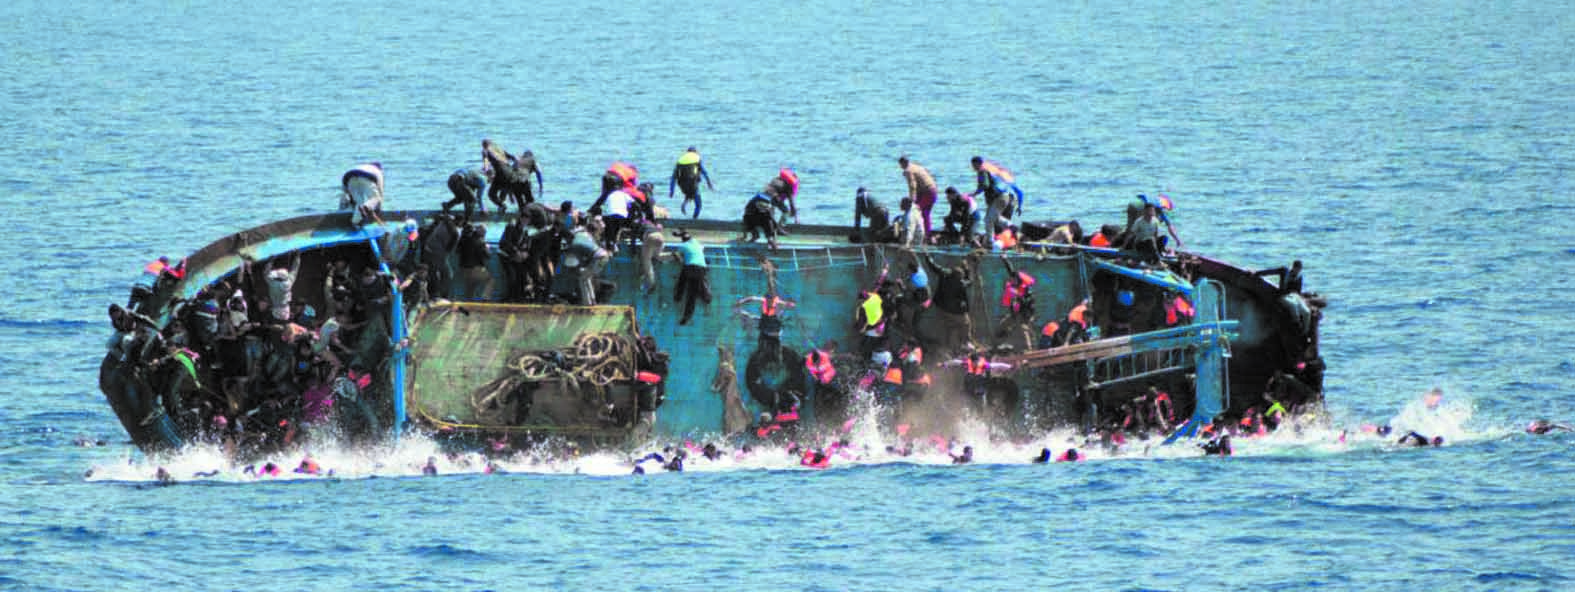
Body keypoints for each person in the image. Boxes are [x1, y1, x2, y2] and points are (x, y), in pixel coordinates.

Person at [969, 156, 1022, 235]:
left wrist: (974, 193)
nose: (973, 167)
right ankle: (1009, 235)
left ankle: (991, 241)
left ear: (976, 164)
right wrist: (1020, 206)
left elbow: (985, 185)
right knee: (996, 220)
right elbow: (1020, 192)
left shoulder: (982, 171)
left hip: (998, 199)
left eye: (973, 165)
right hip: (1010, 201)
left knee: (990, 220)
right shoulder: (1003, 177)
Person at [564, 220, 611, 305]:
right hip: (603, 256)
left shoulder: (577, 241)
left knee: (582, 278)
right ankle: (592, 302)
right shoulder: (585, 237)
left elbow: (574, 263)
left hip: (599, 257)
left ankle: (587, 303)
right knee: (586, 277)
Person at [671, 229, 711, 325]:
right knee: (692, 292)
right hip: (701, 269)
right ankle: (705, 298)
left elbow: (676, 255)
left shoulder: (683, 246)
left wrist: (679, 258)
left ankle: (678, 297)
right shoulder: (697, 243)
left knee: (684, 279)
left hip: (690, 268)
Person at [670, 147, 715, 219]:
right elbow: (704, 172)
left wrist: (671, 191)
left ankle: (685, 203)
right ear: (695, 152)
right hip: (693, 183)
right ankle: (694, 219)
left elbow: (673, 177)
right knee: (698, 204)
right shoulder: (696, 159)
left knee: (689, 191)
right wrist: (709, 183)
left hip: (682, 185)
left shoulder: (680, 161)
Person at [899, 156, 939, 234]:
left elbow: (912, 186)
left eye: (901, 165)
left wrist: (912, 200)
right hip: (933, 192)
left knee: (916, 211)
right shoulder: (916, 166)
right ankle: (927, 233)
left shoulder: (908, 170)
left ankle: (919, 233)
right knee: (925, 213)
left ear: (902, 164)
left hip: (927, 193)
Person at [457, 223, 491, 300]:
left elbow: (458, 250)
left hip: (463, 267)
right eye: (484, 232)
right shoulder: (480, 241)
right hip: (474, 268)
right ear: (481, 232)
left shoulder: (466, 238)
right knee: (490, 280)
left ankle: (469, 301)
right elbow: (487, 255)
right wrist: (487, 247)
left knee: (471, 286)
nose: (485, 234)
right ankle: (485, 299)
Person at [265, 253, 302, 322]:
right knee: (284, 322)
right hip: (285, 309)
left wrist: (270, 261)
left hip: (277, 309)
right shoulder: (289, 282)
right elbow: (295, 269)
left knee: (276, 321)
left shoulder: (272, 284)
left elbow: (266, 273)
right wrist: (297, 257)